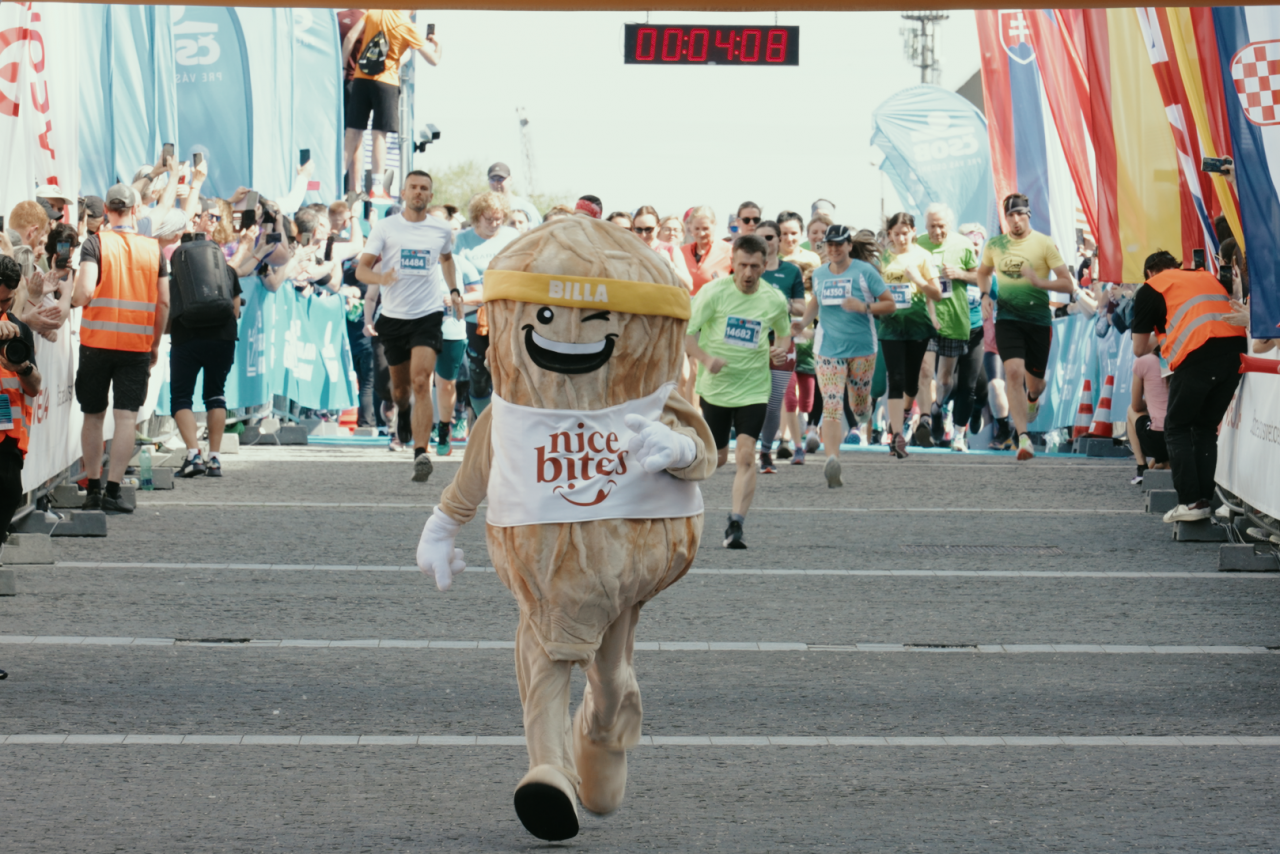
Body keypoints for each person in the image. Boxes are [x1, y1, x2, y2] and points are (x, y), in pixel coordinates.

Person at [685, 234, 792, 549]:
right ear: (732, 262)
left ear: (764, 266)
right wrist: (705, 359)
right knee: (717, 458)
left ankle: (736, 524)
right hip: (716, 388)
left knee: (746, 455)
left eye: (754, 266)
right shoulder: (713, 293)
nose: (747, 273)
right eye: (742, 265)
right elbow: (687, 334)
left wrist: (779, 351)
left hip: (754, 389)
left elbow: (784, 336)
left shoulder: (773, 299)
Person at [71, 184, 171, 513]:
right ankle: (114, 491)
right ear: (135, 210)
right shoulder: (152, 249)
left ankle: (93, 491)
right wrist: (154, 344)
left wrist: (68, 299)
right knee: (126, 418)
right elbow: (164, 303)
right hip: (136, 346)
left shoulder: (95, 243)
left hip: (96, 343)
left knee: (93, 416)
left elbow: (84, 291)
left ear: (107, 212)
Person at [356, 171, 460, 483]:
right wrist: (380, 279)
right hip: (394, 318)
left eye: (424, 189)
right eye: (413, 187)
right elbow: (362, 269)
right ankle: (402, 412)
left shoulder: (441, 229)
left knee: (420, 381)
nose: (418, 192)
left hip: (427, 315)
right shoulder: (386, 228)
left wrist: (454, 291)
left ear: (430, 195)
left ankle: (421, 453)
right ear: (403, 192)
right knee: (399, 390)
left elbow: (447, 260)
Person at [1131, 250, 1247, 522]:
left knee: (1177, 426)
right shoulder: (1203, 275)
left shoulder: (1151, 289)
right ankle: (1204, 499)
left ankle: (1190, 503)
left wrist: (1160, 335)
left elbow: (1139, 348)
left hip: (1199, 353)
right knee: (1205, 427)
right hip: (1235, 352)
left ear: (1149, 274)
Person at [976, 193, 1074, 461]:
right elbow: (983, 273)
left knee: (1036, 384)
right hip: (1008, 319)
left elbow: (1068, 284)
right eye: (1010, 215)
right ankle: (1023, 438)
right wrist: (985, 295)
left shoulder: (1043, 244)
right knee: (1013, 371)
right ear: (1005, 218)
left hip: (1039, 321)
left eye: (1020, 214)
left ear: (1028, 215)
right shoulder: (995, 245)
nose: (1015, 220)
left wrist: (1041, 283)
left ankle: (1032, 398)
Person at [797, 226, 895, 485]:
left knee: (859, 405)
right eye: (829, 244)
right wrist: (803, 322)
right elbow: (815, 302)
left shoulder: (865, 272)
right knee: (831, 405)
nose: (834, 249)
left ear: (849, 246)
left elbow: (890, 304)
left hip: (862, 349)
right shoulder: (819, 274)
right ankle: (832, 461)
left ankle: (864, 411)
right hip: (828, 349)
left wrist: (863, 306)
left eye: (839, 244)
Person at [167, 227, 242, 478]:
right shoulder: (226, 271)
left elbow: (168, 305)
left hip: (186, 337)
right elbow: (235, 310)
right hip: (222, 338)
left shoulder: (176, 272)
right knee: (215, 395)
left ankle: (193, 455)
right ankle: (215, 459)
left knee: (181, 398)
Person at [342, 10, 440, 197]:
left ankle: (337, 177)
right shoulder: (407, 25)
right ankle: (377, 187)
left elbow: (351, 37)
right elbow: (433, 59)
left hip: (361, 78)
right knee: (379, 134)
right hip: (386, 82)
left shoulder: (374, 12)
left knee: (353, 132)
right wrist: (438, 44)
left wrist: (343, 67)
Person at [916, 203, 981, 450]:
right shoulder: (918, 244)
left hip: (954, 320)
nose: (937, 231)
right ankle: (927, 415)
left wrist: (960, 274)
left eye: (941, 226)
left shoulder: (963, 245)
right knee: (925, 370)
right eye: (932, 226)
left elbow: (980, 276)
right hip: (926, 319)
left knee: (944, 380)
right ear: (925, 226)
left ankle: (937, 408)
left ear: (949, 226)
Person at [878, 212, 942, 458]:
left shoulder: (923, 257)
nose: (901, 238)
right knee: (895, 378)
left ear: (913, 232)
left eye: (906, 233)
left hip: (917, 326)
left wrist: (917, 279)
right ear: (890, 234)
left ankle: (906, 411)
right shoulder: (883, 257)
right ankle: (896, 435)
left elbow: (936, 294)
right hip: (890, 327)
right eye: (896, 234)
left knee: (911, 383)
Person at [452, 191, 521, 418]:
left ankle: (506, 421)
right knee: (479, 371)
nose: (494, 224)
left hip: (507, 313)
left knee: (508, 369)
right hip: (474, 313)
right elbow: (452, 272)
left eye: (498, 219)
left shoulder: (513, 236)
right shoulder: (462, 240)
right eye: (489, 219)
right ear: (477, 217)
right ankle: (481, 421)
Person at [753, 220, 806, 473]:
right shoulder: (748, 268)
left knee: (775, 403)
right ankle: (747, 448)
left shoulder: (791, 271)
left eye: (770, 237)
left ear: (778, 240)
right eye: (759, 237)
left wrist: (780, 303)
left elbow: (801, 308)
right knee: (752, 400)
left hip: (781, 341)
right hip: (750, 342)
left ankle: (765, 451)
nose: (765, 242)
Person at [0, 256, 42, 553]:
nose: (2, 307)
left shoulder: (18, 329)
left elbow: (35, 386)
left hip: (7, 429)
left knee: (9, 492)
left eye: (7, 301)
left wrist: (22, 367)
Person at [1126, 349, 1170, 486]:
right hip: (1182, 437)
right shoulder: (1183, 359)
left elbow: (1136, 405)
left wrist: (1150, 401)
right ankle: (1162, 463)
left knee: (1130, 410)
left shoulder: (1144, 362)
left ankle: (1141, 467)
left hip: (1156, 438)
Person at [632, 206, 692, 290]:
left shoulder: (670, 250)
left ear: (658, 227)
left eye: (649, 229)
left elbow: (689, 285)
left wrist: (670, 265)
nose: (644, 234)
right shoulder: (630, 250)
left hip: (664, 301)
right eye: (639, 230)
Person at [681, 206, 733, 295]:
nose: (701, 233)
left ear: (714, 225)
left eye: (705, 228)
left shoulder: (728, 251)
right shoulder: (681, 252)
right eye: (697, 229)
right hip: (687, 306)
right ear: (690, 227)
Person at [487, 162, 543, 227]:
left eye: (500, 179)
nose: (496, 183)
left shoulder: (526, 208)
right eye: (492, 179)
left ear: (510, 179)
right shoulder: (486, 210)